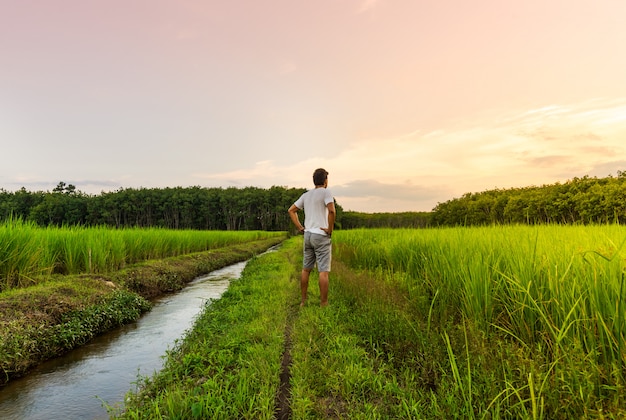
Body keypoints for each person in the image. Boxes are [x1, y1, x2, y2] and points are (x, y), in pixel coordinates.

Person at [288, 168, 336, 307]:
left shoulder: (306, 195)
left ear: (314, 181)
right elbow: (332, 211)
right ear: (325, 180)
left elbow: (291, 210)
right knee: (323, 272)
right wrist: (330, 229)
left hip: (308, 235)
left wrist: (300, 227)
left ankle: (303, 301)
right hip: (321, 235)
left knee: (306, 269)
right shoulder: (326, 192)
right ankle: (324, 303)